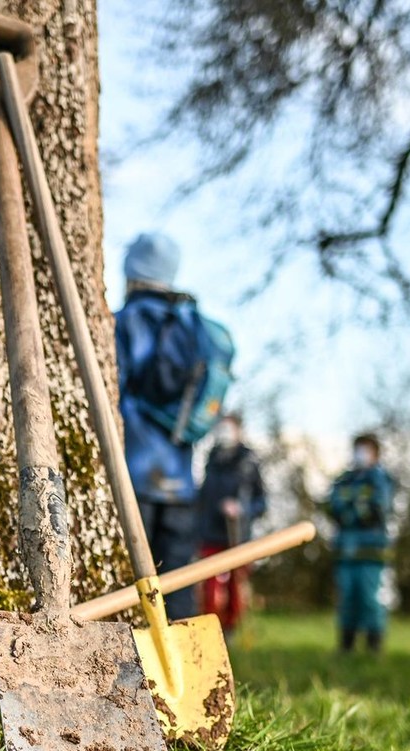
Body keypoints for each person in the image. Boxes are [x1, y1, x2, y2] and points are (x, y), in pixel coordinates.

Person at [115, 232, 201, 619]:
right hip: (180, 476)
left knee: (127, 580)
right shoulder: (190, 324)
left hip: (133, 472)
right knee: (179, 578)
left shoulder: (126, 322)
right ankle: (186, 670)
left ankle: (133, 665)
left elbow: (110, 386)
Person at [193, 414, 267, 633]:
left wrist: (242, 510)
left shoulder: (249, 462)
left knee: (236, 586)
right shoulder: (211, 460)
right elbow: (203, 498)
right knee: (210, 587)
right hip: (210, 534)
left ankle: (231, 630)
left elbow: (261, 502)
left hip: (236, 536)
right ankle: (210, 628)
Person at [328, 434, 395, 654]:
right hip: (346, 549)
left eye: (365, 449)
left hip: (371, 549)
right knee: (346, 596)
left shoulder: (380, 479)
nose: (360, 454)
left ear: (375, 453)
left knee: (370, 597)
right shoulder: (345, 479)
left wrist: (353, 511)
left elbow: (378, 509)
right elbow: (333, 506)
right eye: (358, 449)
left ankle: (374, 645)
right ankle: (346, 644)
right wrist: (355, 510)